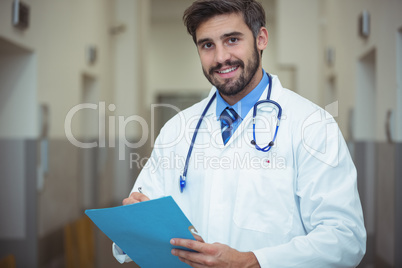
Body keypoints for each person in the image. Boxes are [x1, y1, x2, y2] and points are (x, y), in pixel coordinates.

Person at [113, 0, 366, 267]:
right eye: (207, 45)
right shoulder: (178, 129)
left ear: (261, 38)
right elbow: (142, 214)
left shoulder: (313, 126)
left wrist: (253, 261)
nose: (221, 57)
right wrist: (135, 222)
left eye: (232, 39)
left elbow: (344, 238)